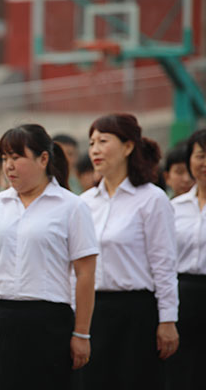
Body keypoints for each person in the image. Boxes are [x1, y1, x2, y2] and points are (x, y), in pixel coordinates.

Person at [0, 124, 98, 390]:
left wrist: (81, 333)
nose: (8, 166)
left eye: (16, 157)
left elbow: (85, 274)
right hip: (2, 318)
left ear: (43, 159)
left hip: (50, 322)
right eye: (4, 158)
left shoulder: (72, 206)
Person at [78, 113, 179, 390]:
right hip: (92, 312)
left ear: (128, 146)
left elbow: (164, 265)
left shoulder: (152, 199)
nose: (95, 150)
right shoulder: (83, 203)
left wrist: (168, 319)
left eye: (103, 141)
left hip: (137, 313)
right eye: (91, 143)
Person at [166, 129, 206, 389]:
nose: (204, 163)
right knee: (180, 369)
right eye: (200, 156)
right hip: (181, 295)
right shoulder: (174, 207)